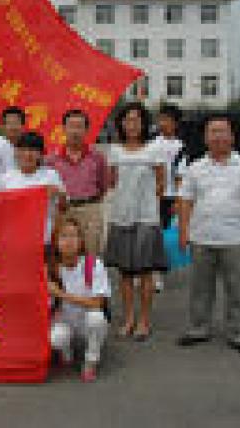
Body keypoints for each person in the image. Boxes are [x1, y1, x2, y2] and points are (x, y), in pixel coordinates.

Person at [177, 114, 240, 357]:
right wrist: (184, 231)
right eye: (212, 132)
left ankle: (238, 333)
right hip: (201, 238)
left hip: (237, 239)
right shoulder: (195, 168)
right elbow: (185, 201)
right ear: (205, 138)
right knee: (200, 289)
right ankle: (198, 328)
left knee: (236, 289)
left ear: (231, 136)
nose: (218, 136)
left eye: (222, 131)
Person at [103, 102, 167, 341]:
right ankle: (129, 318)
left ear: (144, 124)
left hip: (146, 218)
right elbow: (112, 183)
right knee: (125, 274)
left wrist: (147, 205)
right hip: (121, 217)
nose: (132, 124)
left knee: (145, 273)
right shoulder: (115, 151)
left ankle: (144, 320)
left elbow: (161, 185)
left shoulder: (154, 151)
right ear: (120, 123)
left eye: (137, 119)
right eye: (127, 119)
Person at [49, 216, 111, 383]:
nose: (68, 241)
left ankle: (91, 360)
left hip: (87, 320)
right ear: (55, 242)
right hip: (64, 320)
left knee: (96, 318)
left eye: (73, 236)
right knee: (55, 338)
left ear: (81, 241)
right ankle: (66, 349)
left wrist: (61, 294)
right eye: (63, 236)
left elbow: (98, 303)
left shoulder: (93, 264)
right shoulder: (51, 268)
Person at [0, 132, 64, 260]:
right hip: (12, 242)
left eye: (33, 150)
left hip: (42, 241)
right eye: (23, 150)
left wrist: (58, 193)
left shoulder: (51, 175)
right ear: (16, 152)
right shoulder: (5, 178)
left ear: (41, 154)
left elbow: (63, 207)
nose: (28, 154)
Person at [45, 109, 109, 256]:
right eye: (71, 126)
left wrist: (90, 203)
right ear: (64, 129)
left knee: (90, 254)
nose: (75, 131)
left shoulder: (97, 157)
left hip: (89, 210)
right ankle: (65, 280)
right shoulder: (51, 160)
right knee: (63, 254)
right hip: (63, 211)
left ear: (86, 130)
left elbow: (103, 186)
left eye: (79, 126)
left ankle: (89, 278)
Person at [149, 103, 187, 292]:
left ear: (176, 123)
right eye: (160, 119)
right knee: (151, 235)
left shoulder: (182, 147)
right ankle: (151, 272)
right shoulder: (152, 144)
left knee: (165, 237)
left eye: (167, 120)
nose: (162, 123)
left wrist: (178, 201)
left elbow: (181, 176)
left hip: (171, 197)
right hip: (153, 197)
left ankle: (159, 274)